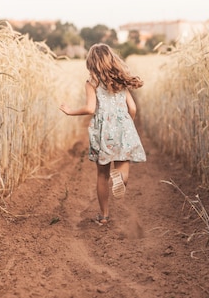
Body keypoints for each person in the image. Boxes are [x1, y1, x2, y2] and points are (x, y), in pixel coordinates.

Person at [59, 43, 146, 225]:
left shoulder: (92, 82)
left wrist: (70, 111)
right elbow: (133, 107)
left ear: (91, 62)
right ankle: (120, 180)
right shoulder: (120, 81)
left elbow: (90, 108)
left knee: (102, 175)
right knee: (122, 169)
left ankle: (104, 216)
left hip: (103, 131)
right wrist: (127, 124)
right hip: (123, 129)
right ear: (111, 59)